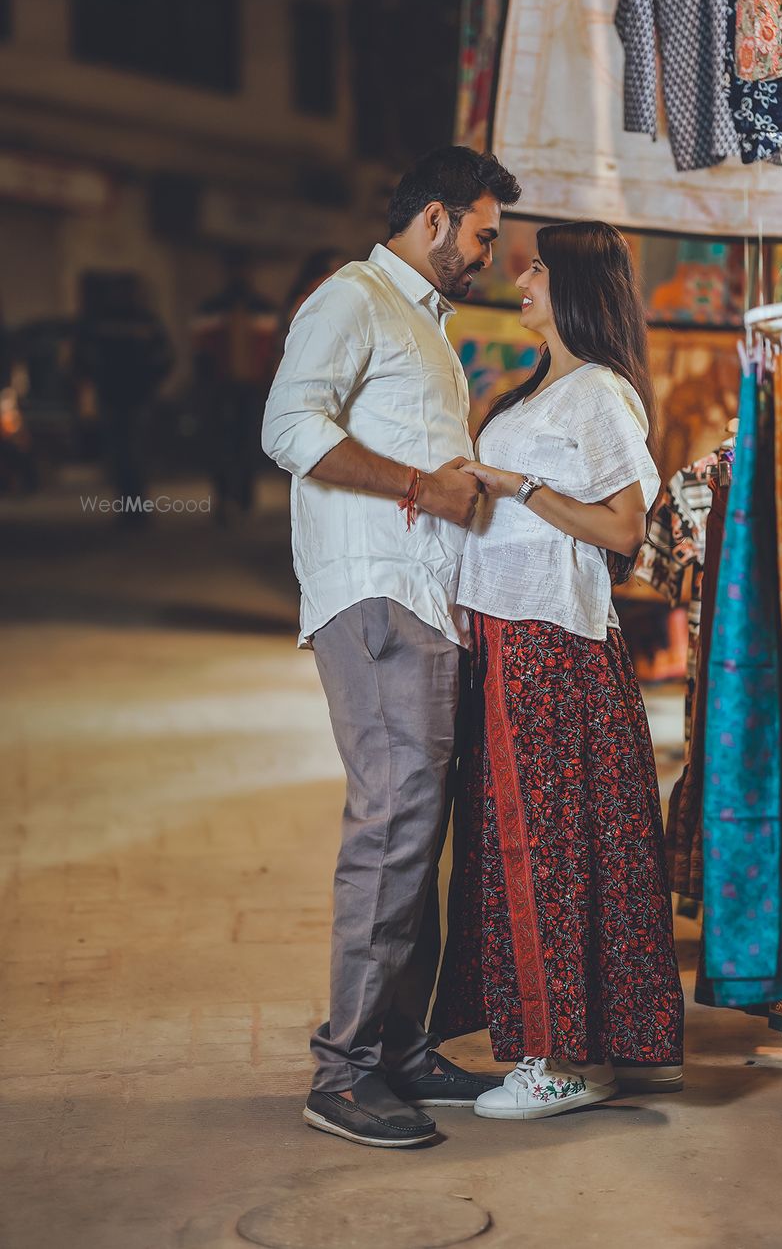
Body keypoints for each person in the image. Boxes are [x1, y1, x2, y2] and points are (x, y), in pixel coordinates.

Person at [261, 145, 522, 1148]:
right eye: (484, 234)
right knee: (395, 817)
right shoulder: (354, 299)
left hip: (425, 598)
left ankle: (402, 1048)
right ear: (434, 219)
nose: (490, 255)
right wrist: (420, 486)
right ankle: (348, 1069)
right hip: (372, 592)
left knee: (422, 824)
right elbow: (288, 428)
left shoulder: (422, 322)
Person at [433, 221, 685, 1119]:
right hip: (513, 637)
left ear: (574, 284)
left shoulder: (600, 397)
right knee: (559, 845)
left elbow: (625, 529)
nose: (521, 275)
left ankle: (562, 1059)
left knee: (544, 848)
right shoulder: (537, 389)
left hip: (549, 643)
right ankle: (609, 1045)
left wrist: (520, 487)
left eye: (536, 265)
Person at [75, 273, 173, 520]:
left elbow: (166, 357)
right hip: (112, 394)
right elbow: (82, 356)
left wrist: (151, 381)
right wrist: (94, 377)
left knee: (135, 452)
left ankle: (137, 508)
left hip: (137, 396)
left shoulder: (145, 322)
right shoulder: (100, 322)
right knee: (119, 453)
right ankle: (126, 507)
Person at [193, 253, 280, 523]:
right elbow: (200, 350)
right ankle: (222, 497)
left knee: (248, 441)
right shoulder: (211, 308)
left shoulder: (263, 308)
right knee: (220, 443)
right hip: (219, 387)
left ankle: (244, 496)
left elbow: (274, 350)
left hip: (253, 387)